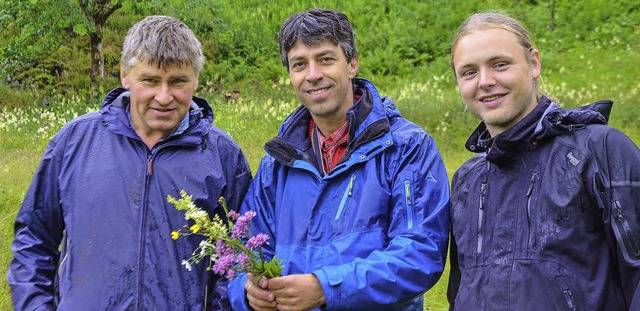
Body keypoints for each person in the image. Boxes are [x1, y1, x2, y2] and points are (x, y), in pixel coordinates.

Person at [7, 15, 252, 310]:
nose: (164, 97)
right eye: (150, 80)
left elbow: (238, 256)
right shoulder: (74, 142)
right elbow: (34, 237)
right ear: (125, 75)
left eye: (178, 82)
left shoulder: (222, 155)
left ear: (196, 80)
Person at [226, 8, 450, 311]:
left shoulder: (407, 147)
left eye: (326, 59)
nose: (313, 74)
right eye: (299, 64)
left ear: (352, 64)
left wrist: (326, 288)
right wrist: (248, 292)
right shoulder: (276, 164)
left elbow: (419, 254)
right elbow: (245, 254)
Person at [446, 11, 640, 310]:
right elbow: (460, 292)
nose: (485, 81)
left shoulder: (599, 150)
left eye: (500, 65)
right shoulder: (467, 180)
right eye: (469, 72)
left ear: (533, 63)